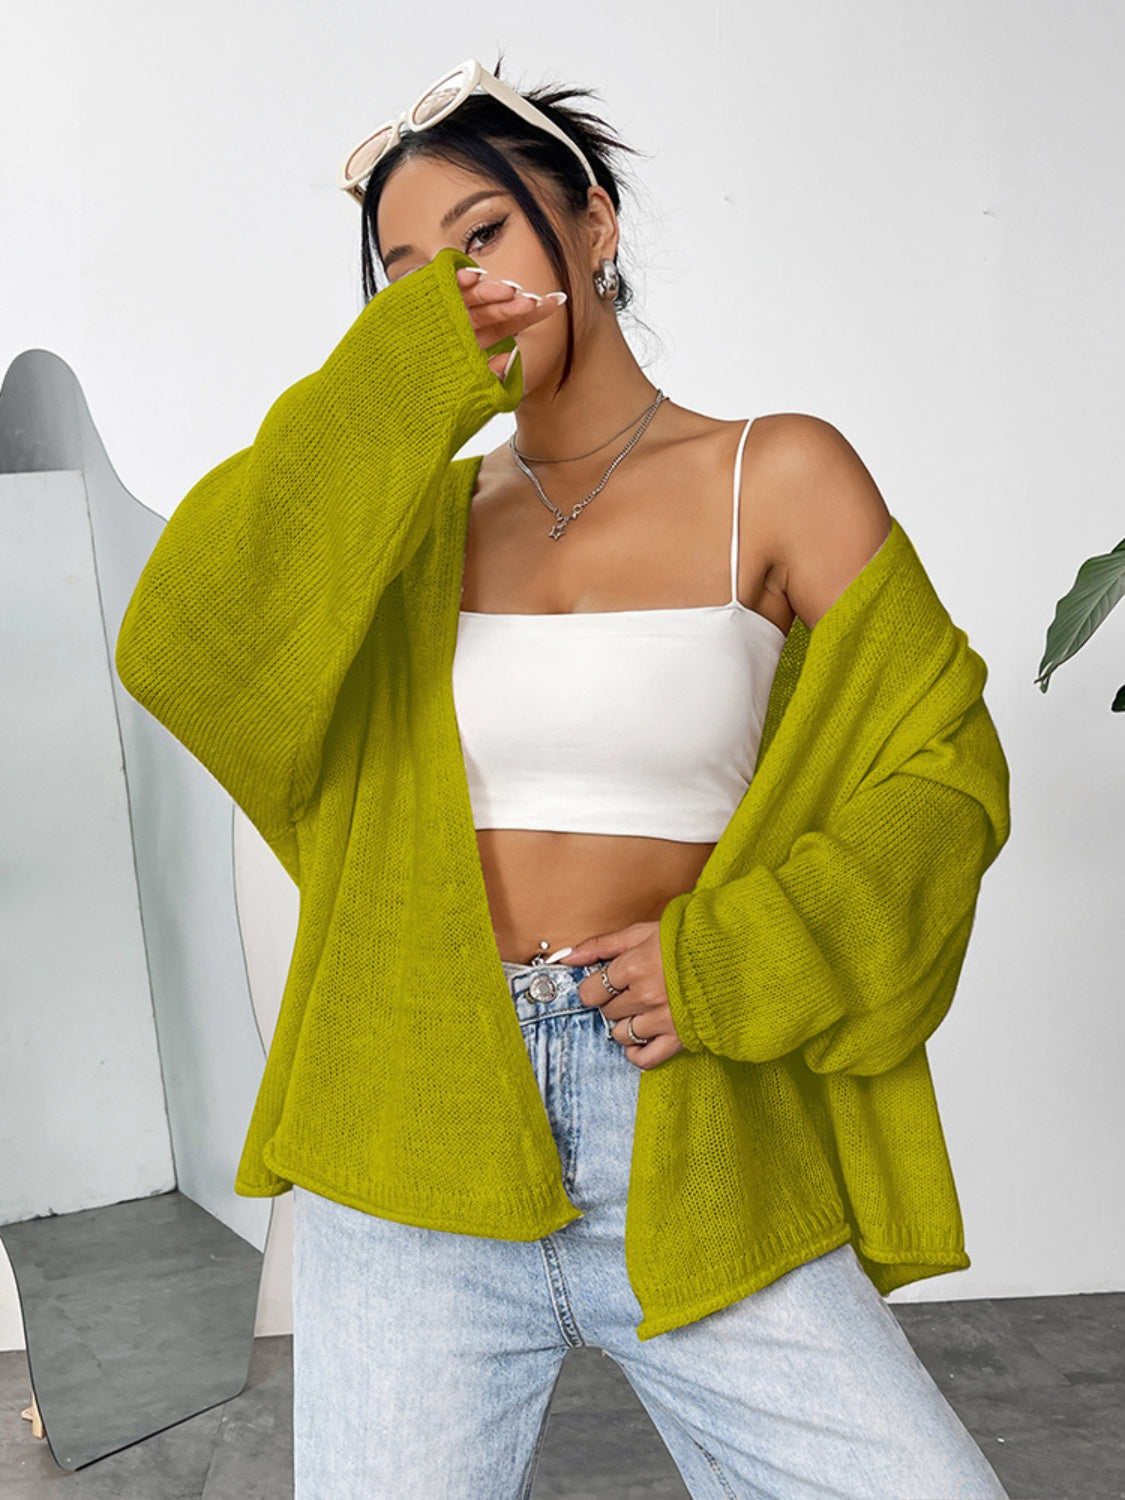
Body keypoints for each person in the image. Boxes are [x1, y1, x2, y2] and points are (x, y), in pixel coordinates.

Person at [115, 51, 1012, 1500]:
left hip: (683, 1112)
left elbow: (942, 771)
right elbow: (184, 645)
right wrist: (397, 394)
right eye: (407, 278)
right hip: (412, 1120)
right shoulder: (405, 526)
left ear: (591, 224)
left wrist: (730, 959)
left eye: (482, 237)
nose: (455, 294)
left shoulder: (775, 474)